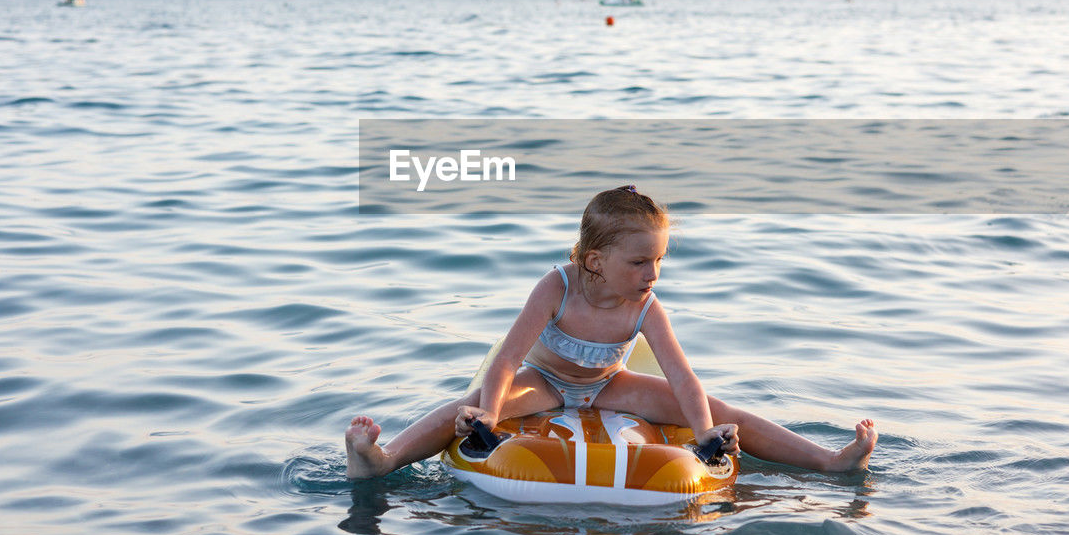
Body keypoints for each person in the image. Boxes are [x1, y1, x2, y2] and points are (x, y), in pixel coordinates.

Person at [346, 185, 877, 478]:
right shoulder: (556, 287)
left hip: (611, 383)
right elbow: (507, 358)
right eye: (641, 262)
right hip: (547, 381)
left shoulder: (646, 305)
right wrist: (488, 411)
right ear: (595, 261)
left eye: (661, 260)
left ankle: (828, 460)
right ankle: (383, 458)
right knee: (458, 409)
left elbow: (683, 376)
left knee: (723, 410)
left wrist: (705, 430)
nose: (654, 274)